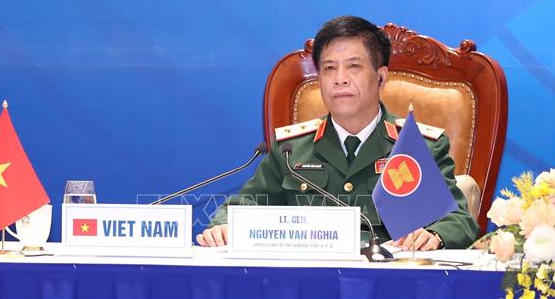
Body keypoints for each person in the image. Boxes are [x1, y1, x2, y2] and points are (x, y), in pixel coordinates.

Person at [196, 15, 479, 250]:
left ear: (380, 77)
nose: (340, 78)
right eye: (329, 68)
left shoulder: (418, 146)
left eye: (354, 66)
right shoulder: (291, 148)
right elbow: (243, 206)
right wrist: (223, 226)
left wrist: (436, 236)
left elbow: (458, 220)